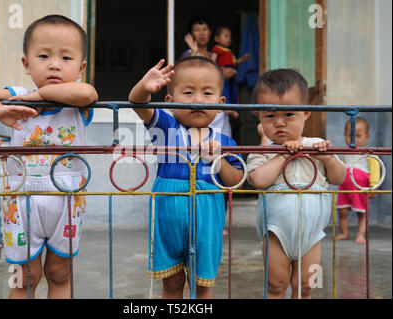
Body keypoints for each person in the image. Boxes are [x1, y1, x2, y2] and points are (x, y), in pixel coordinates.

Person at [0, 14, 98, 299]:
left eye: (66, 58)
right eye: (43, 55)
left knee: (59, 273)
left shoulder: (78, 104)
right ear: (26, 64)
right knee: (23, 278)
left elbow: (88, 92)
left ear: (81, 66)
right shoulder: (18, 96)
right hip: (21, 202)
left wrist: (42, 95)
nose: (54, 63)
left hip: (67, 202)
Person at [128, 56, 244, 299]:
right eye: (188, 92)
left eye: (207, 93)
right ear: (170, 101)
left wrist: (218, 160)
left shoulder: (225, 142)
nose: (198, 100)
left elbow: (235, 180)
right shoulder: (166, 128)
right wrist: (144, 86)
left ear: (221, 103)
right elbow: (138, 103)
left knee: (202, 287)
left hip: (208, 218)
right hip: (167, 217)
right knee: (172, 284)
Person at [246, 69, 346, 299]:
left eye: (289, 114)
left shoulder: (318, 145)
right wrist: (282, 155)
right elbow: (258, 181)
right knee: (275, 285)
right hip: (276, 234)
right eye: (270, 116)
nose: (280, 123)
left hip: (313, 235)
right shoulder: (262, 152)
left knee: (307, 286)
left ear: (306, 112)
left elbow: (339, 177)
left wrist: (328, 158)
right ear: (259, 116)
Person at [180, 17, 238, 138]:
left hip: (217, 106)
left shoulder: (215, 55)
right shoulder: (188, 54)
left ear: (210, 33)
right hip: (199, 105)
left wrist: (232, 71)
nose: (201, 33)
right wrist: (194, 52)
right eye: (197, 30)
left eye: (204, 29)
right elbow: (185, 76)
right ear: (191, 35)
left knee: (222, 142)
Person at [336, 117, 380, 244]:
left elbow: (375, 169)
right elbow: (343, 167)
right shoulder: (345, 152)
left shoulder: (368, 152)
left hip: (360, 187)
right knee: (342, 210)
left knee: (361, 212)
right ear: (344, 135)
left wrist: (373, 187)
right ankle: (344, 232)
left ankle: (360, 234)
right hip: (345, 186)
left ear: (367, 136)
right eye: (350, 135)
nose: (353, 139)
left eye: (358, 136)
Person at [211, 26, 251, 105]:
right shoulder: (217, 49)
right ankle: (226, 105)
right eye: (226, 36)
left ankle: (233, 107)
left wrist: (242, 59)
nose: (229, 39)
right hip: (223, 73)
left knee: (234, 90)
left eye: (230, 37)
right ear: (217, 39)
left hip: (232, 73)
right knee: (224, 90)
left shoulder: (229, 51)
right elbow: (212, 62)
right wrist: (218, 69)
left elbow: (234, 62)